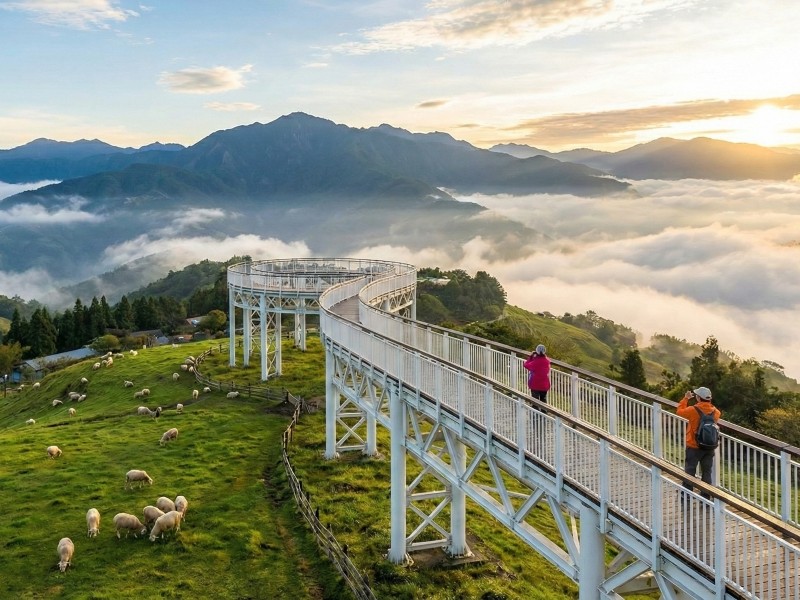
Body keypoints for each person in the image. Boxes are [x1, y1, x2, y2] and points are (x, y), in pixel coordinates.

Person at [677, 386, 721, 497]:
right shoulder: (716, 412)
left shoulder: (693, 410)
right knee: (707, 471)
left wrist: (686, 399)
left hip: (693, 445)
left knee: (690, 470)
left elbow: (679, 411)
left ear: (698, 398)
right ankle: (705, 495)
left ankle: (686, 494)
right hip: (709, 446)